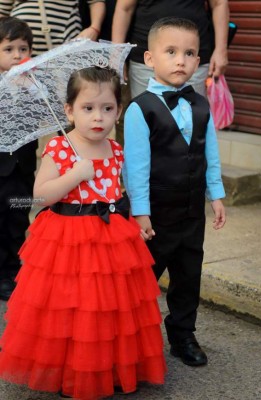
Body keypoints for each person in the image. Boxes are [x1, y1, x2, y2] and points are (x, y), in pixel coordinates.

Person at [0, 66, 166, 399]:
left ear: (118, 112)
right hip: (68, 239)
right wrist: (75, 175)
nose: (98, 118)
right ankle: (71, 371)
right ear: (69, 110)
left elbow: (116, 194)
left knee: (110, 306)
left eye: (107, 109)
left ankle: (112, 367)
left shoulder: (115, 150)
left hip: (110, 237)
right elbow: (40, 195)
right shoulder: (60, 149)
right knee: (72, 307)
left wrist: (135, 220)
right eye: (87, 108)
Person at [122, 17, 226, 367]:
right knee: (142, 279)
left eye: (189, 53)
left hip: (191, 211)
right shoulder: (140, 109)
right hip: (155, 215)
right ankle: (132, 337)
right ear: (150, 59)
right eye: (171, 52)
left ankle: (182, 334)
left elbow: (209, 152)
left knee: (188, 275)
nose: (180, 60)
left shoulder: (201, 104)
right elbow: (135, 167)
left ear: (198, 62)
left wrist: (217, 194)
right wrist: (140, 211)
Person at [112, 0, 229, 97]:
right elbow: (124, 9)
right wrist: (117, 53)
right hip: (147, 62)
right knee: (146, 117)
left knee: (193, 120)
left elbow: (219, 4)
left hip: (192, 61)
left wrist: (221, 50)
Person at [0, 16, 37, 301]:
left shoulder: (33, 84)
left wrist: (34, 88)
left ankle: (11, 272)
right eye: (9, 49)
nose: (17, 55)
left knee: (18, 220)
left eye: (22, 49)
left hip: (23, 170)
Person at [0, 0, 106, 56]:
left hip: (66, 43)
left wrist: (94, 28)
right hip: (20, 48)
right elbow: (2, 11)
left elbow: (96, 2)